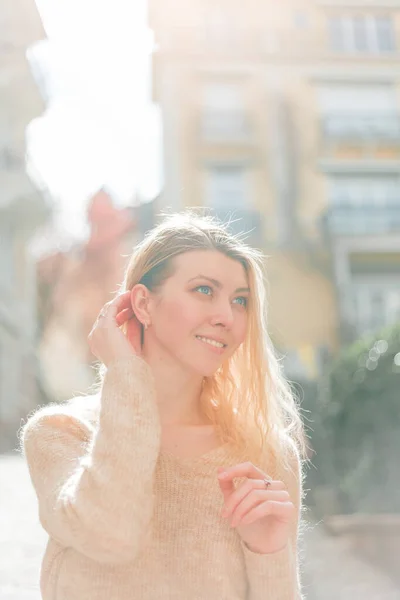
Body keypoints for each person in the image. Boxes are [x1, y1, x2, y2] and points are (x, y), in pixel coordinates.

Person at [21, 212, 306, 599]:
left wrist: (269, 551)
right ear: (143, 303)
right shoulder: (62, 434)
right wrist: (124, 373)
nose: (226, 316)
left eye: (240, 300)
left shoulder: (266, 453)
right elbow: (111, 535)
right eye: (204, 290)